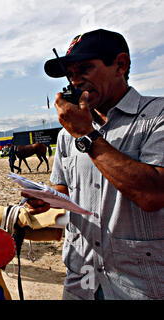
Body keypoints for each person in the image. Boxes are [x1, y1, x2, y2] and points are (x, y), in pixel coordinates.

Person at [28, 29, 164, 300]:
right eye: (71, 73)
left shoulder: (156, 117)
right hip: (82, 278)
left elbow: (153, 194)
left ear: (120, 65)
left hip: (140, 284)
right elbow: (64, 191)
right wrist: (46, 199)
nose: (76, 80)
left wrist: (87, 135)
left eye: (85, 68)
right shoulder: (67, 133)